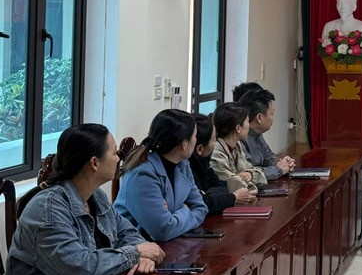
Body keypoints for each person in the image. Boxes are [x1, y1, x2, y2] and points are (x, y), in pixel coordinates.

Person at [1, 124, 164, 275]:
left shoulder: (96, 196)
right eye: (114, 152)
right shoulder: (48, 208)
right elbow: (80, 267)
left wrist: (143, 256)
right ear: (94, 163)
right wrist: (135, 253)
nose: (119, 158)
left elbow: (125, 231)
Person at [114, 109, 209, 241]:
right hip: (136, 246)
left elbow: (201, 208)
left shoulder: (183, 165)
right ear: (184, 144)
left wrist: (172, 215)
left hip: (170, 242)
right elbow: (163, 230)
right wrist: (185, 209)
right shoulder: (142, 174)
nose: (196, 140)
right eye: (195, 136)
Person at [189, 114, 256, 215]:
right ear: (200, 148)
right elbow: (201, 202)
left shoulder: (203, 162)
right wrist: (231, 198)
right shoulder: (185, 167)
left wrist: (210, 197)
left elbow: (221, 185)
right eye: (214, 139)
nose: (215, 143)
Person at [234, 82, 296, 180]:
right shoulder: (238, 137)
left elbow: (269, 157)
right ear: (259, 117)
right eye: (271, 113)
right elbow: (248, 173)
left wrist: (282, 163)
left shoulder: (256, 133)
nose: (273, 118)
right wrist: (278, 170)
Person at [210, 102, 267, 192]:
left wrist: (250, 175)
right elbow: (235, 186)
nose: (249, 125)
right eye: (247, 121)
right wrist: (249, 182)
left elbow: (261, 176)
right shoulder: (216, 152)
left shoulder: (236, 146)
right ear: (238, 128)